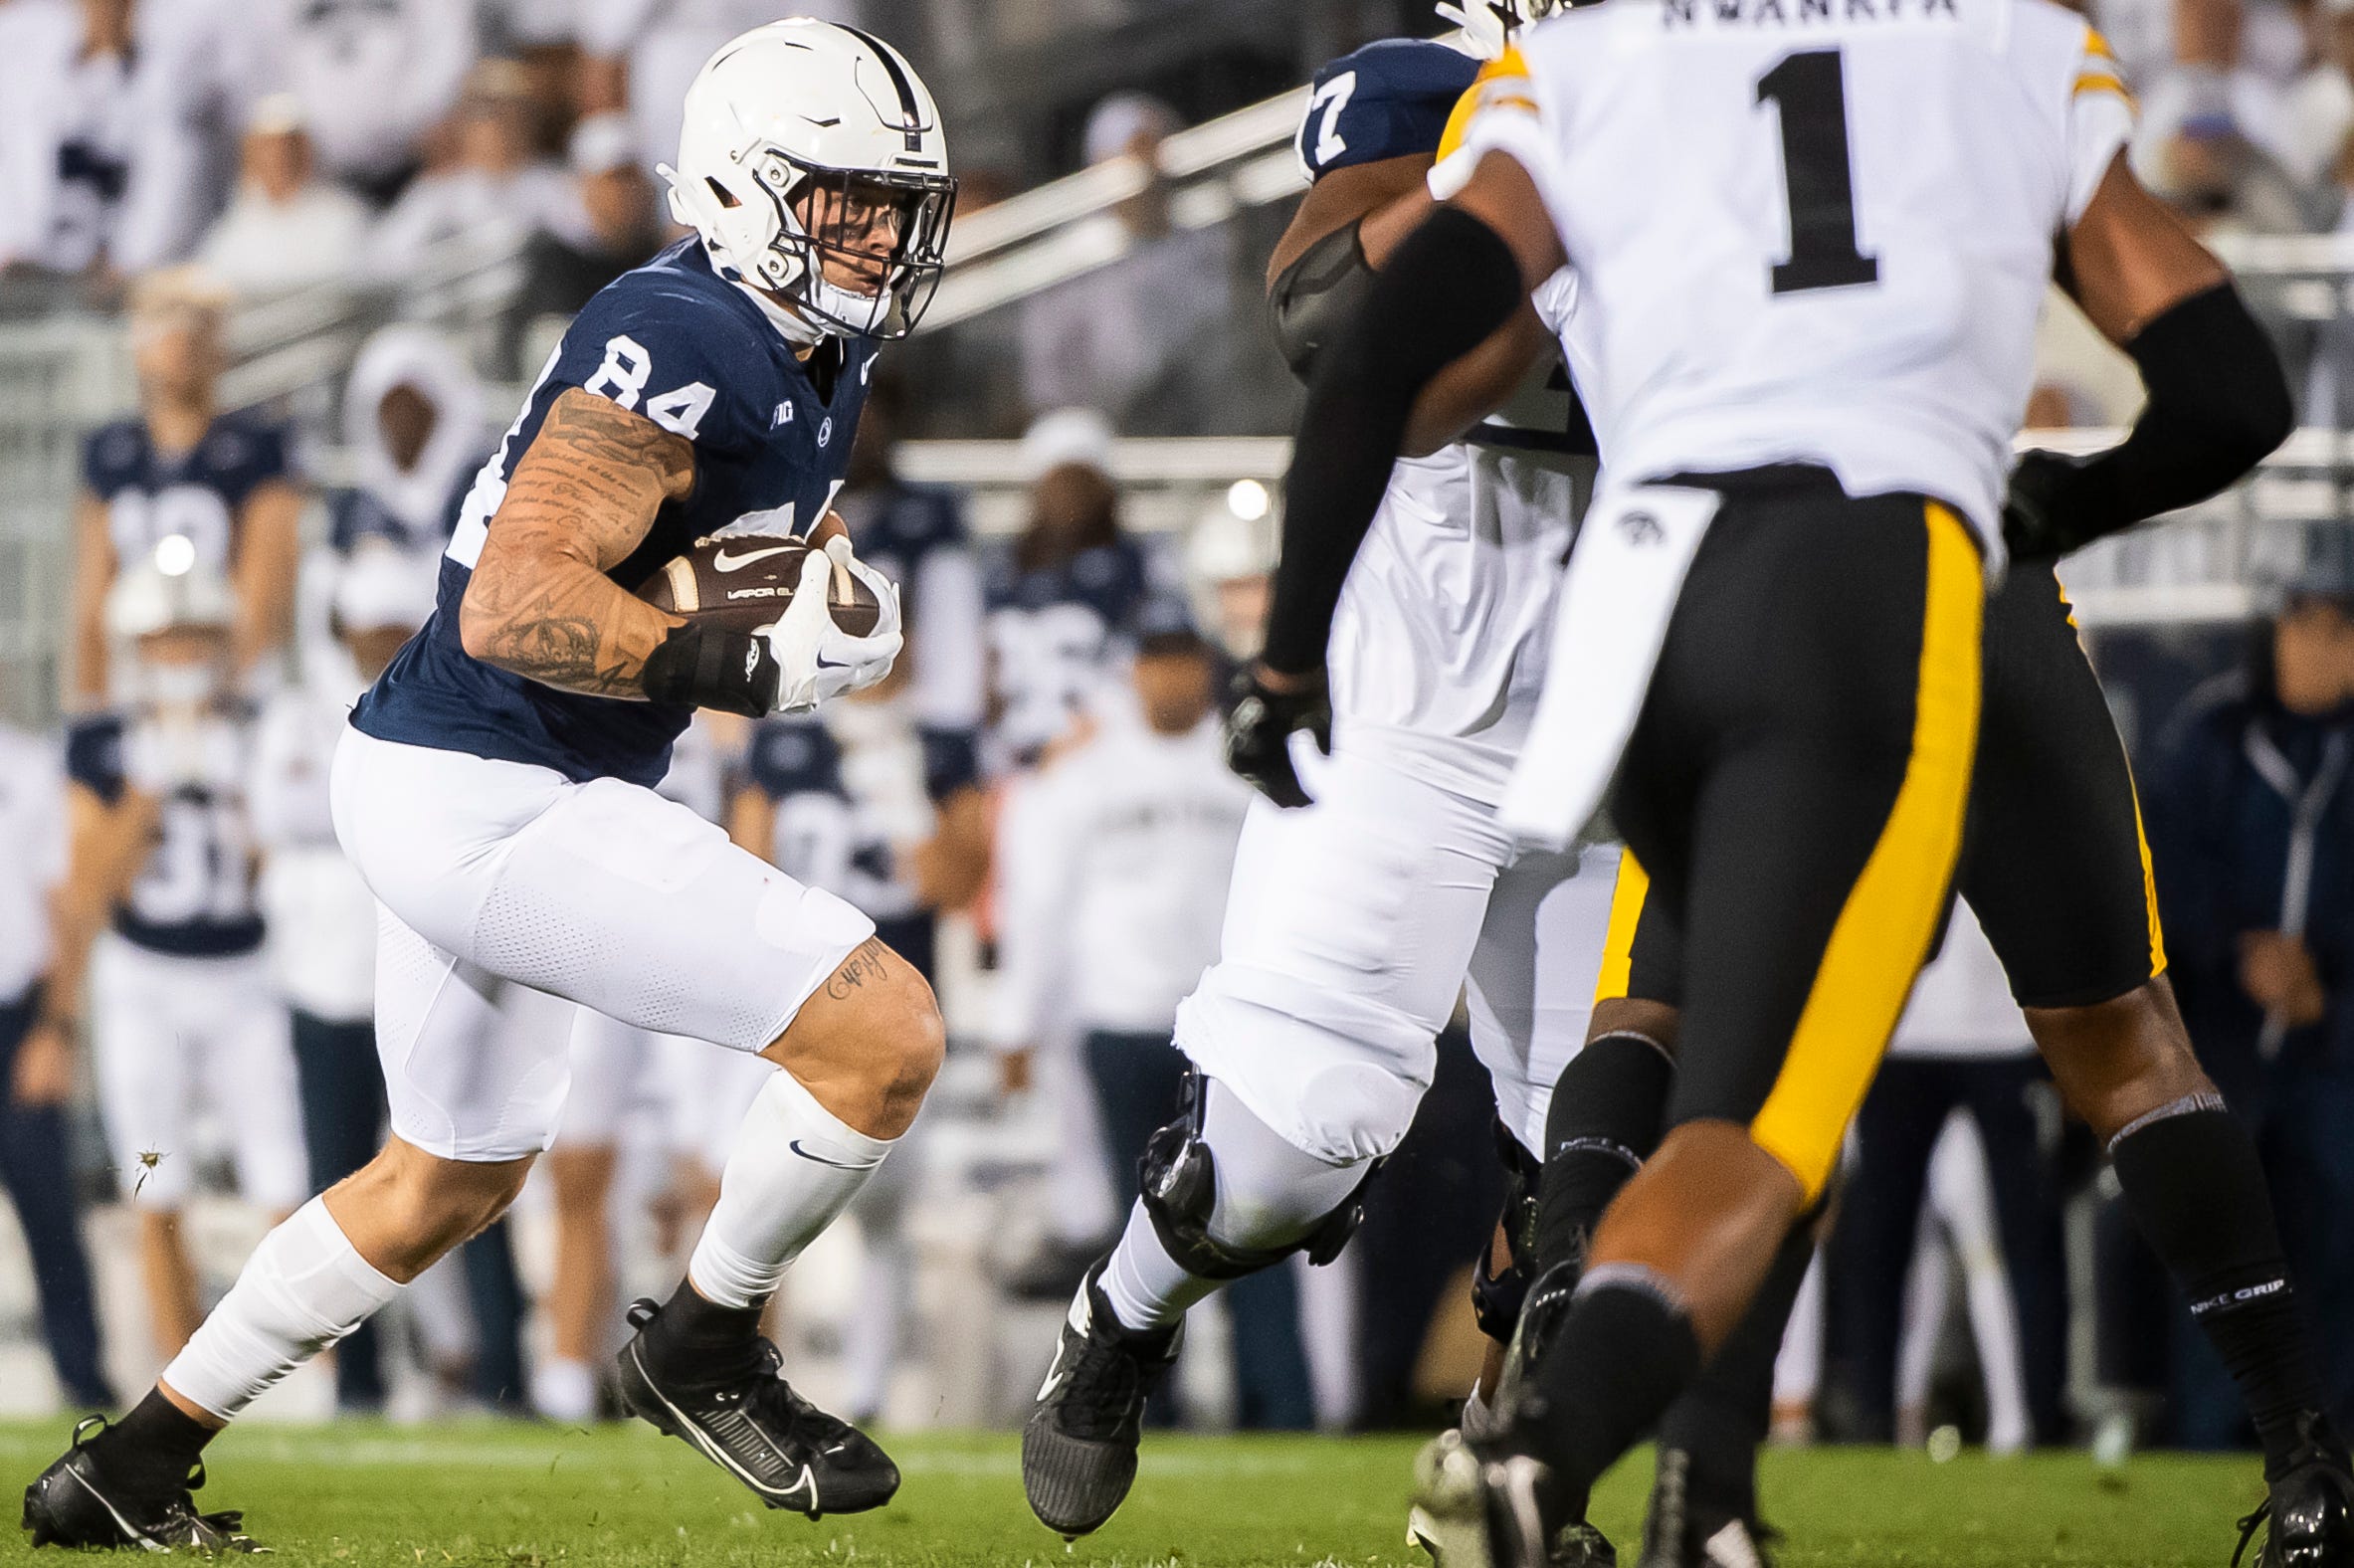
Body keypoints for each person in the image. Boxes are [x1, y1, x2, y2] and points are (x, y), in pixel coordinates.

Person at [1218, 5, 2322, 1567]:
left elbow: (1364, 341)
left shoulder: (1591, 60)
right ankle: (1564, 1456)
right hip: (1918, 573)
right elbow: (2228, 385)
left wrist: (1284, 653)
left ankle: (1692, 1490)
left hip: (1660, 586)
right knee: (2077, 1050)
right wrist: (2060, 501)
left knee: (1668, 1034)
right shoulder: (2004, 41)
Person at [21, 19, 955, 1550]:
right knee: (885, 1037)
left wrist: (803, 593)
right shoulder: (690, 329)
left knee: (440, 1182)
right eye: (845, 198)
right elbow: (513, 605)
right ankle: (704, 1344)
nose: (879, 235)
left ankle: (125, 1466)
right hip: (490, 785)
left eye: (893, 204)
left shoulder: (807, 349)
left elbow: (694, 545)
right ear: (744, 188)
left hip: (455, 771)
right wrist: (730, 666)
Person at [1017, 25, 1623, 1539]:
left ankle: (1500, 1486)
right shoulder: (1436, 91)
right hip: (1416, 685)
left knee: (1605, 1181)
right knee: (1296, 1143)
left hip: (1626, 690)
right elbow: (1321, 313)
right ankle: (1124, 1311)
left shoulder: (1751, 105)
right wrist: (1530, 164)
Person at [999, 599, 1318, 1433]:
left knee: (1253, 1219)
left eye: (1184, 656)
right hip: (1121, 1021)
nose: (1171, 673)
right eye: (1156, 657)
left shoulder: (1245, 759)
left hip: (1231, 1033)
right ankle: (1137, 1407)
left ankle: (1281, 1411)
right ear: (1131, 668)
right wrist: (1019, 1025)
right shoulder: (1082, 773)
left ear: (1204, 665)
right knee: (1134, 1225)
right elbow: (1039, 907)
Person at [732, 631, 989, 1425]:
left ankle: (869, 1395)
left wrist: (903, 796)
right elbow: (746, 874)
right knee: (764, 1207)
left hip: (899, 1005)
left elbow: (958, 884)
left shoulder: (934, 749)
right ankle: (746, 1378)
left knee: (885, 1215)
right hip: (798, 1007)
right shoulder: (779, 742)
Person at [62, 561, 307, 1365]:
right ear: (133, 647)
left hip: (247, 974)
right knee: (152, 1178)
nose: (181, 653)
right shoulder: (104, 741)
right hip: (145, 979)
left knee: (285, 1175)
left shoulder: (263, 722)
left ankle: (310, 1371)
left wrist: (239, 791)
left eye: (196, 635)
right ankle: (178, 1369)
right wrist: (150, 789)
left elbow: (282, 864)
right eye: (164, 639)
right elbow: (90, 882)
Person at [2151, 575, 2354, 1442]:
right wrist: (2238, 952)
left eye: (2338, 634)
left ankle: (2333, 1446)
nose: (2317, 652)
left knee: (2340, 1253)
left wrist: (2326, 985)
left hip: (2337, 1050)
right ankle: (2206, 1436)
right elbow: (2162, 870)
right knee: (2220, 1252)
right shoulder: (2213, 734)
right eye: (2300, 631)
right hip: (2225, 1048)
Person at [248, 546, 439, 1414]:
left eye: (395, 629)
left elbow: (314, 812)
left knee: (459, 1175)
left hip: (426, 979)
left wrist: (350, 805)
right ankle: (354, 1382)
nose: (380, 644)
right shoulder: (297, 712)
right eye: (369, 630)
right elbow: (274, 812)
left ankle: (486, 1363)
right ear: (344, 630)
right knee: (336, 1186)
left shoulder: (441, 696)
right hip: (323, 982)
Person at [70, 267, 302, 709]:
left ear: (221, 342)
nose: (181, 338)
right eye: (164, 321)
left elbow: (266, 581)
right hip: (133, 681)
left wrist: (231, 689)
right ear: (137, 342)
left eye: (197, 323)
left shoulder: (256, 445)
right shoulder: (110, 449)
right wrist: (90, 704)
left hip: (223, 680)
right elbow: (93, 590)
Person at [0, 719, 115, 1412]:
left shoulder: (28, 762)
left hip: (21, 1016)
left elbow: (65, 904)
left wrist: (56, 1024)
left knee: (49, 1208)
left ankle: (84, 1379)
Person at [984, 409, 1158, 771]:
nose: (1069, 496)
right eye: (1058, 481)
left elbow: (1147, 663)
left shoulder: (1136, 566)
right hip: (1012, 757)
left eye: (1082, 481)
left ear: (1105, 488)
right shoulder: (1003, 569)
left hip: (1104, 754)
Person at [329, 326, 489, 560]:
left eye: (413, 408)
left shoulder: (487, 489)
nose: (402, 423)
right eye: (390, 409)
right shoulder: (353, 511)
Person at [193, 95, 372, 300]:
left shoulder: (344, 219)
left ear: (305, 153)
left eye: (286, 148)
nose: (277, 159)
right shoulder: (235, 231)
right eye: (266, 149)